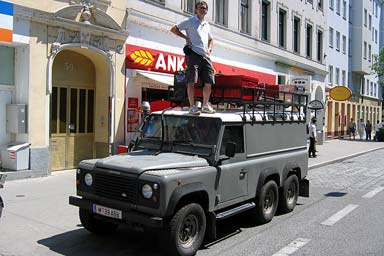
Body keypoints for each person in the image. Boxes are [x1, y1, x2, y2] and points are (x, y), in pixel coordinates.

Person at [170, 1, 215, 115]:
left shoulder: (206, 25)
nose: (202, 9)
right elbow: (174, 29)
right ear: (196, 10)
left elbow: (211, 39)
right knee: (191, 81)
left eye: (204, 8)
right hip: (193, 54)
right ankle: (192, 106)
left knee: (209, 81)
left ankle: (205, 105)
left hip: (205, 56)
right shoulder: (190, 21)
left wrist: (209, 49)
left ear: (206, 11)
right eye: (200, 8)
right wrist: (186, 38)